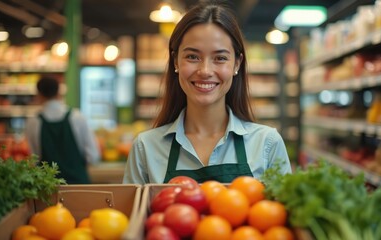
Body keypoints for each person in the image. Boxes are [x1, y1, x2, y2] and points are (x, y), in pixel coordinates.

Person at [123, 1, 291, 184]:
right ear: (176, 61)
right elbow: (134, 212)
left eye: (220, 58)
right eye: (192, 57)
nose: (205, 71)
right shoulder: (145, 148)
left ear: (237, 64)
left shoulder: (267, 144)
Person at [25, 76, 100, 184]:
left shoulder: (33, 122)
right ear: (59, 92)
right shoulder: (77, 117)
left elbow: (33, 160)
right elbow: (93, 156)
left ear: (39, 94)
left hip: (48, 189)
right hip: (78, 187)